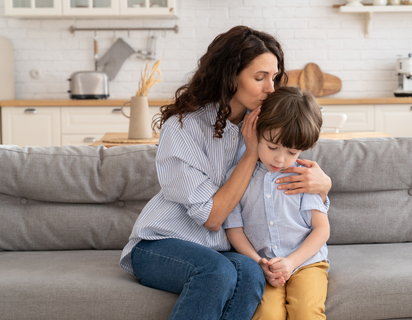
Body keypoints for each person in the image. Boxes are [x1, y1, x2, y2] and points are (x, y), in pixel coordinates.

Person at [119, 25, 332, 320]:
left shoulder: (264, 124)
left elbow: (286, 175)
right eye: (259, 78)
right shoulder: (183, 128)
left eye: (273, 77)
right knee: (217, 272)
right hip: (161, 244)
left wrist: (324, 185)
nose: (271, 88)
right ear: (230, 76)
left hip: (222, 249)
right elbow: (213, 217)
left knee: (252, 275)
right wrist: (250, 151)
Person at [223, 86, 331, 320]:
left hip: (306, 263)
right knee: (267, 315)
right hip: (263, 267)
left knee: (306, 313)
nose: (280, 159)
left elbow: (321, 229)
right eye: (272, 147)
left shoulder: (304, 176)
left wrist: (291, 262)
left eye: (292, 152)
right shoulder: (239, 176)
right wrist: (258, 263)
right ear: (256, 131)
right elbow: (234, 229)